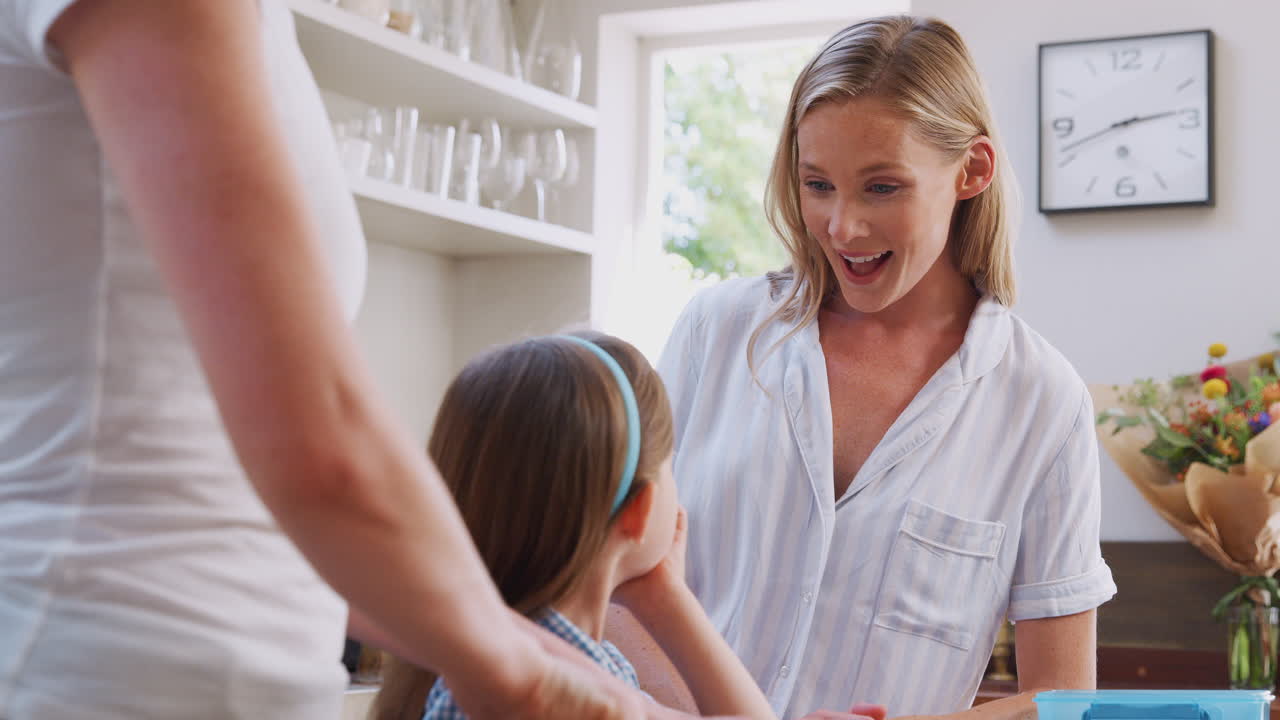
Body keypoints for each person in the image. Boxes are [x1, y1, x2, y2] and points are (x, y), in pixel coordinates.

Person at [0, 3, 699, 719]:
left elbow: (280, 506)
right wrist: (547, 684)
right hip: (112, 677)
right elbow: (320, 445)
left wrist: (588, 684)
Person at [608, 15, 1117, 720]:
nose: (843, 227)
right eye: (818, 184)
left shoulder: (1043, 401)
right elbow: (616, 586)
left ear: (972, 170)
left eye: (882, 188)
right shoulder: (716, 332)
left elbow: (1061, 700)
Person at [371, 333, 782, 720]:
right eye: (669, 463)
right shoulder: (551, 683)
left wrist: (664, 594)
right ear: (640, 508)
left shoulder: (571, 660)